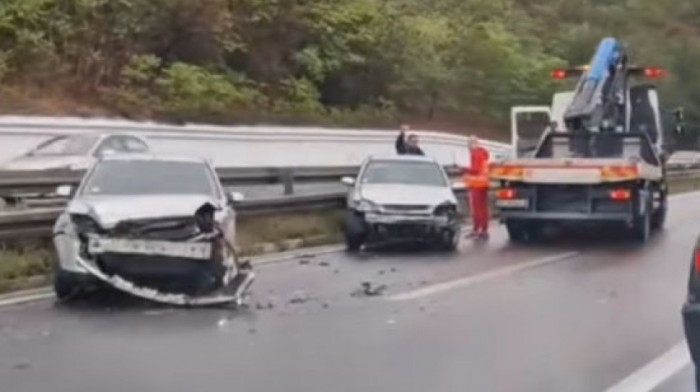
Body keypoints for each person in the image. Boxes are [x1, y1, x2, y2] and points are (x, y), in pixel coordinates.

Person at [463, 136, 490, 239]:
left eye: (469, 145)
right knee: (483, 208)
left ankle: (477, 230)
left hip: (476, 184)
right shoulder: (483, 153)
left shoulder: (476, 154)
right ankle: (483, 230)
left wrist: (464, 169)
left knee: (476, 208)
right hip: (484, 183)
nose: (468, 147)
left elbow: (476, 169)